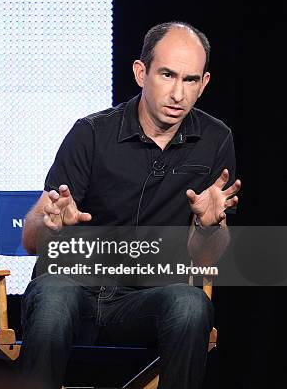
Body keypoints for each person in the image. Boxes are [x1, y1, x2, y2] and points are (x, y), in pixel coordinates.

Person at [19, 21, 241, 389]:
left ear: (203, 84)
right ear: (141, 73)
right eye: (167, 75)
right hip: (73, 287)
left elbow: (208, 258)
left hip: (145, 299)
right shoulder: (91, 133)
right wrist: (51, 225)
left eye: (190, 80)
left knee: (191, 305)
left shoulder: (216, 140)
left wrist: (207, 226)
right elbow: (30, 239)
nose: (177, 93)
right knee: (53, 297)